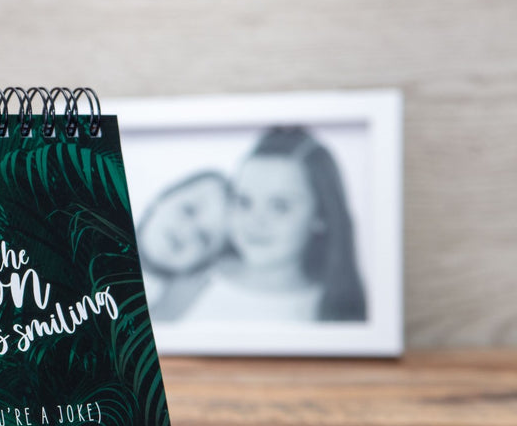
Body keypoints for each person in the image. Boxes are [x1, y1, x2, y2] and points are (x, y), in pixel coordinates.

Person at [182, 126, 367, 322]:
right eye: (244, 202)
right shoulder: (192, 280)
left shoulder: (338, 312)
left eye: (280, 206)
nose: (255, 221)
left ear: (321, 215)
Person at [135, 170, 232, 321]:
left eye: (204, 238)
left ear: (202, 265)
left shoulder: (165, 315)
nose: (187, 231)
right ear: (161, 198)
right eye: (188, 210)